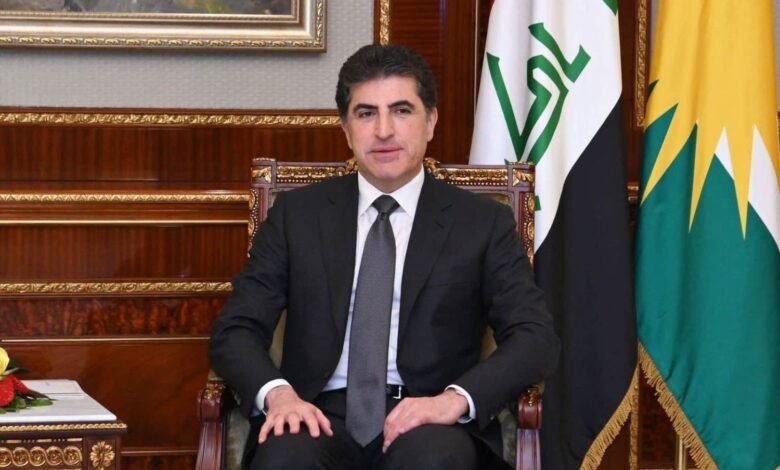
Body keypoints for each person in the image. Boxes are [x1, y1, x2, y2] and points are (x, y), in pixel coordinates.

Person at [209, 44, 560, 470]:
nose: (384, 130)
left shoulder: (482, 223)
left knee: (434, 461)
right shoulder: (297, 215)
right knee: (284, 461)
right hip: (316, 414)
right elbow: (236, 330)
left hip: (430, 419)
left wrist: (453, 400)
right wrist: (279, 395)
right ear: (346, 129)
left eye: (401, 110)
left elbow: (534, 338)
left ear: (431, 121)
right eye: (366, 113)